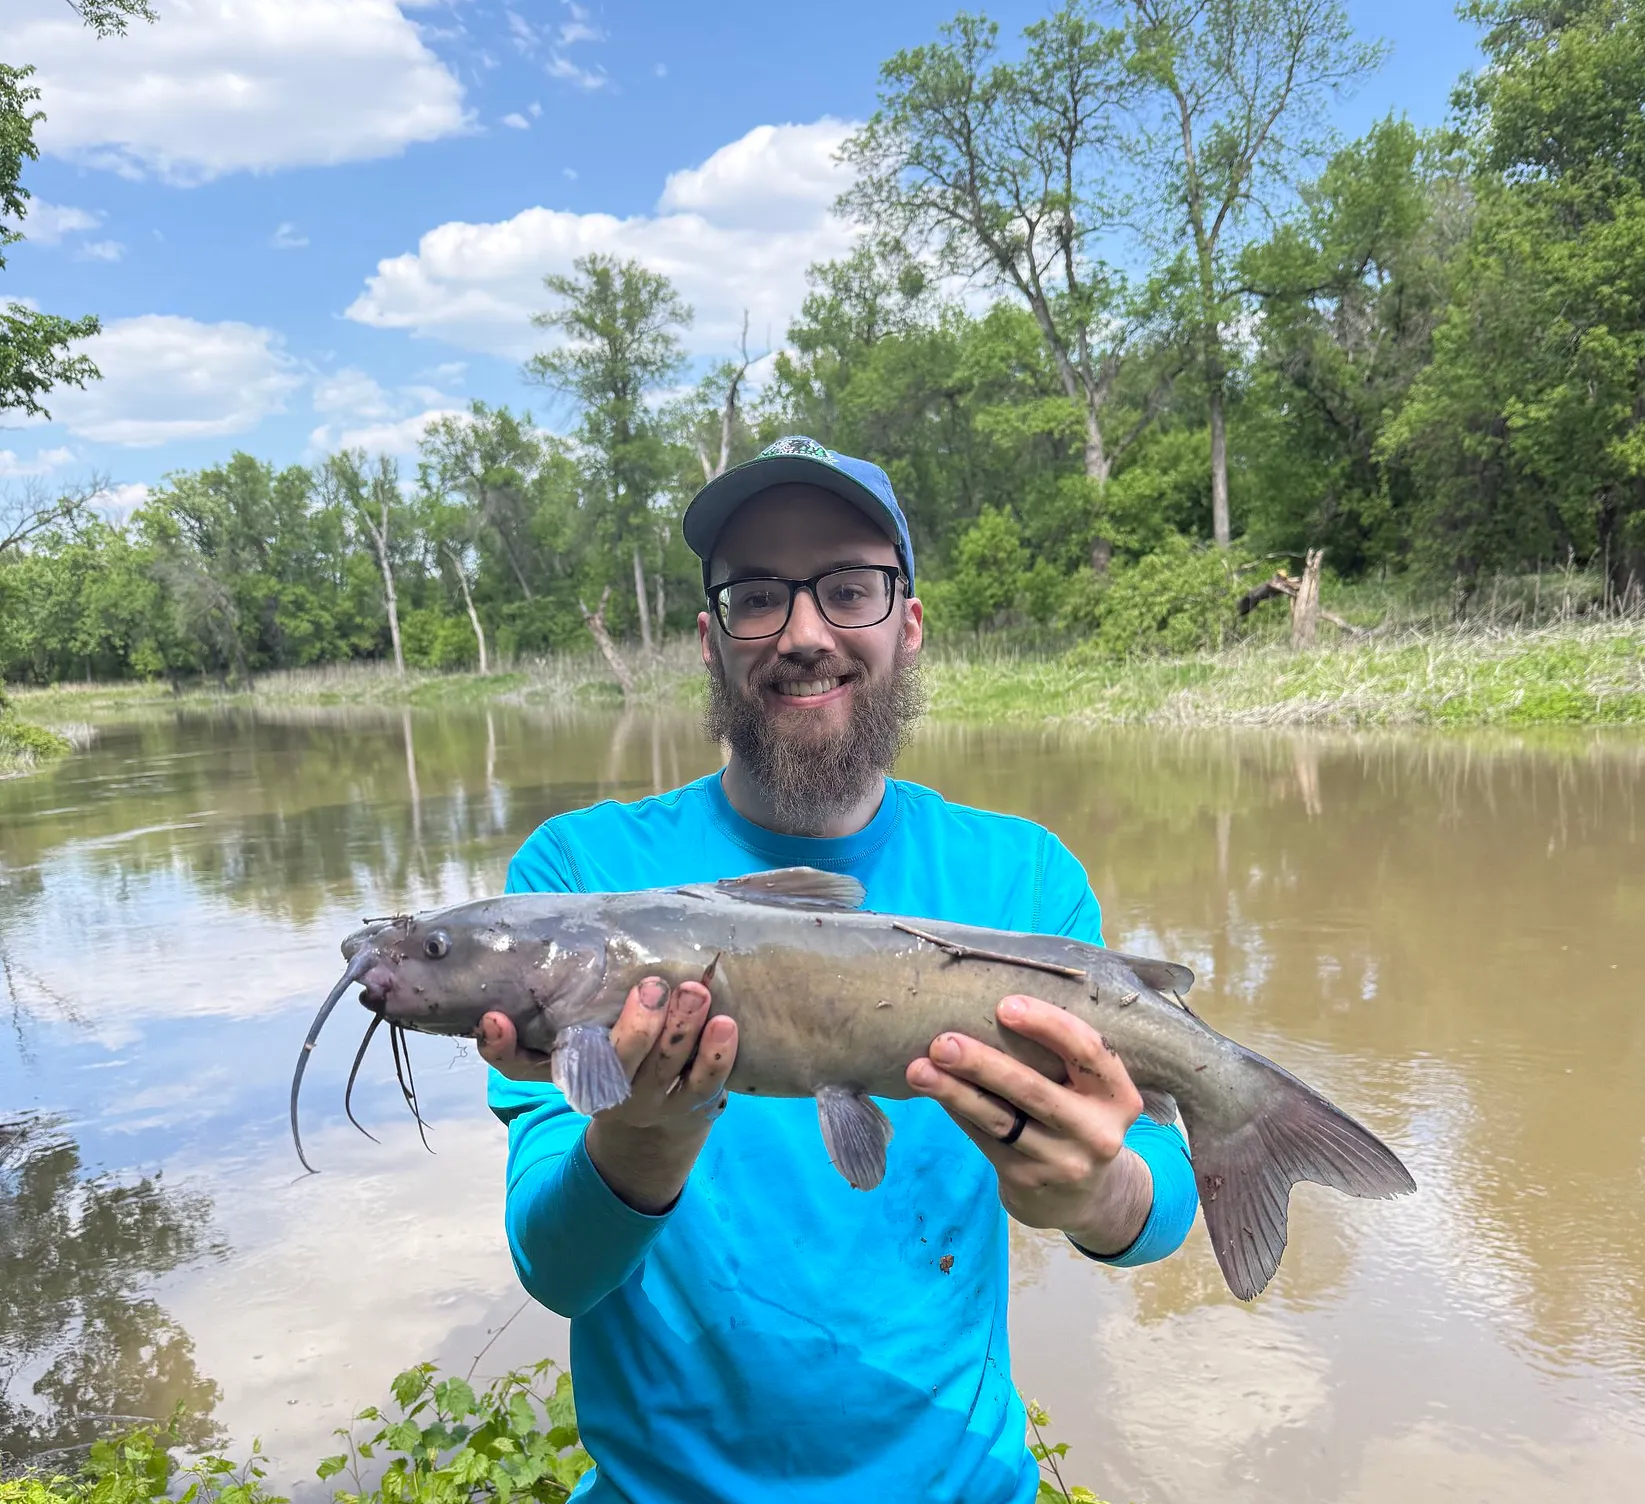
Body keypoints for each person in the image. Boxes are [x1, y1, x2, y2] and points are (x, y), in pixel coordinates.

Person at [475, 436, 1198, 1504]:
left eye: (848, 589)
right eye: (758, 595)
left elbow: (1164, 1199)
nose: (805, 634)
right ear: (712, 640)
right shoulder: (577, 884)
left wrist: (1103, 1190)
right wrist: (639, 1142)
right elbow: (559, 1271)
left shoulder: (1021, 879)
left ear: (906, 624)